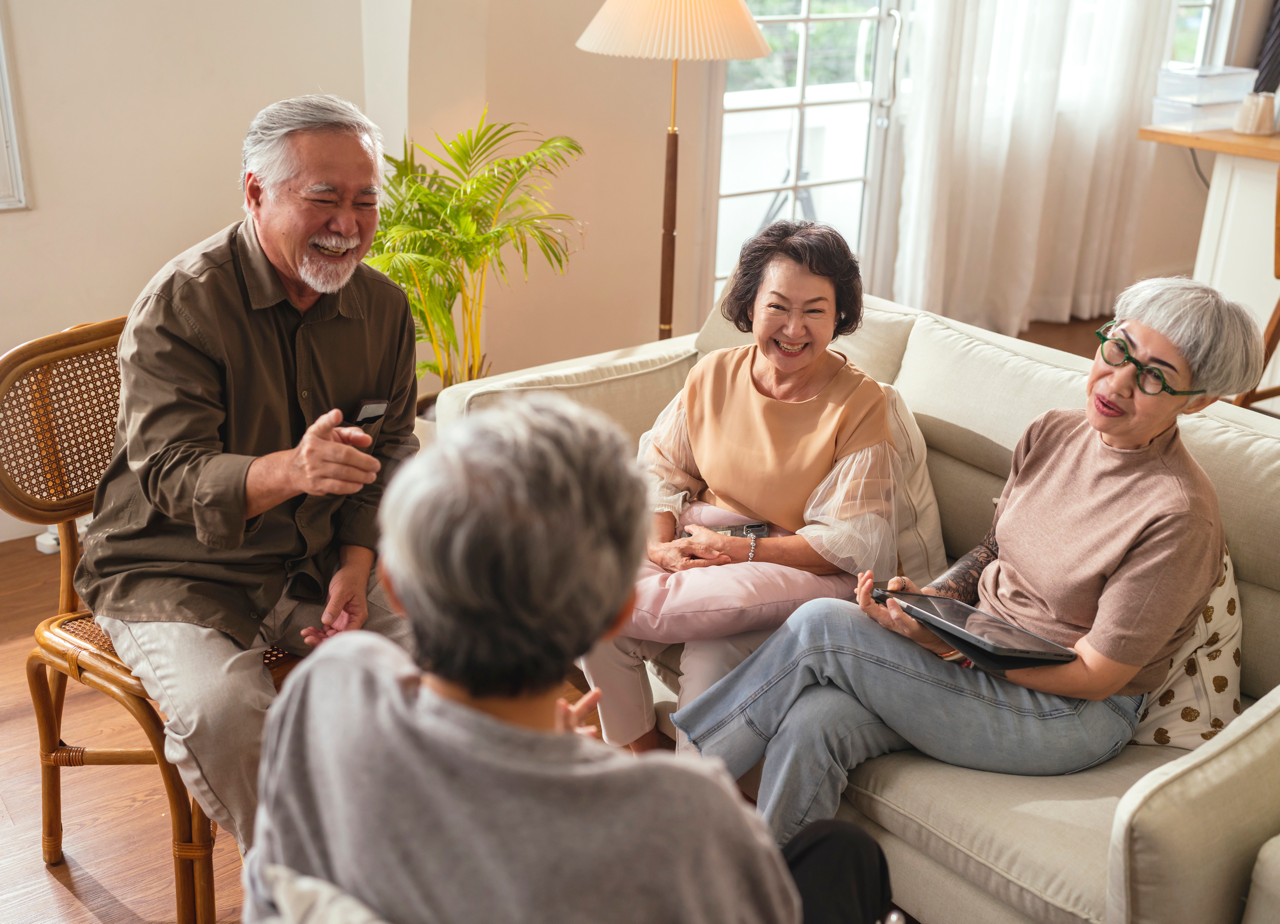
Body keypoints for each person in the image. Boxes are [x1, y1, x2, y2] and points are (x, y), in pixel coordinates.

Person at [241, 396, 893, 924]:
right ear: (613, 613)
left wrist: (536, 757)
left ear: (399, 590)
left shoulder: (327, 692)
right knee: (843, 855)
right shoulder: (690, 815)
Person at [672, 277, 1265, 845]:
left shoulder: (1178, 515)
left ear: (1201, 400)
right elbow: (992, 550)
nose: (1117, 383)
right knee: (814, 722)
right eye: (1118, 350)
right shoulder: (1053, 433)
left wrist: (953, 648)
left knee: (821, 625)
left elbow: (1097, 676)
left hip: (1069, 713)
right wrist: (929, 607)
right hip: (984, 648)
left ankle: (665, 808)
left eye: (1155, 378)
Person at [74, 95, 419, 852]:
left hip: (318, 561)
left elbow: (391, 452)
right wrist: (293, 470)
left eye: (366, 201)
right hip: (171, 569)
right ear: (255, 192)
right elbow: (169, 474)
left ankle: (404, 858)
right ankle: (300, 884)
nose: (349, 224)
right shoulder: (181, 304)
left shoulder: (385, 310)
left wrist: (357, 567)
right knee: (226, 710)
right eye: (324, 198)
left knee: (444, 656)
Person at [582, 220, 900, 754]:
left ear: (840, 316)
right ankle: (641, 764)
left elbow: (853, 544)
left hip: (790, 568)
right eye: (778, 306)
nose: (794, 329)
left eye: (815, 311)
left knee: (711, 650)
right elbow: (661, 470)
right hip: (703, 543)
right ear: (750, 305)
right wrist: (659, 546)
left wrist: (734, 550)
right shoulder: (713, 374)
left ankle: (692, 799)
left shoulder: (861, 405)